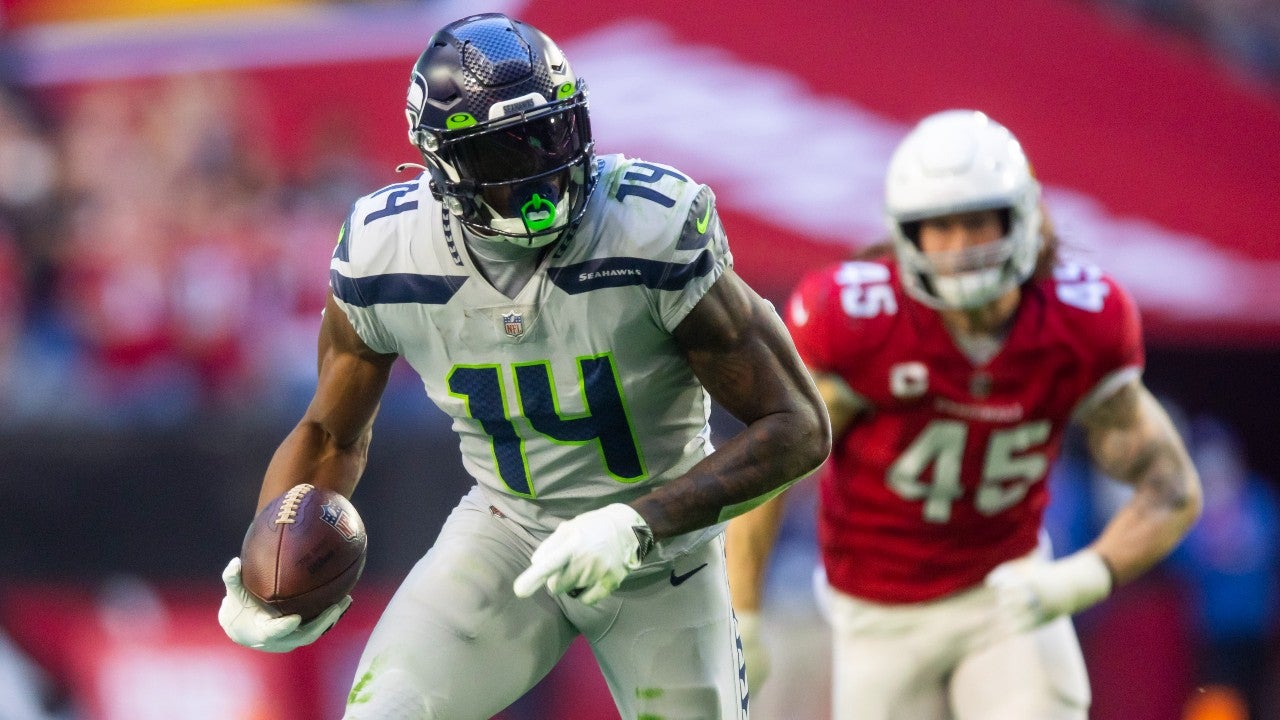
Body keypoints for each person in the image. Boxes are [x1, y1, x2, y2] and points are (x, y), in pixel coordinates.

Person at [215, 12, 829, 720]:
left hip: (662, 550)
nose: (539, 174)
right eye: (502, 158)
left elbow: (797, 425)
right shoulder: (388, 252)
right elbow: (329, 436)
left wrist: (636, 522)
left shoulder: (649, 230)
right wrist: (272, 553)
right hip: (505, 530)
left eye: (550, 135)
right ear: (444, 165)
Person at [726, 109, 1202, 720]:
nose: (957, 249)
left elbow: (1171, 489)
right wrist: (744, 616)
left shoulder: (1077, 321)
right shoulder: (857, 319)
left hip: (1005, 596)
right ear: (907, 234)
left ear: (1019, 219)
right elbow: (773, 467)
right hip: (876, 614)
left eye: (976, 223)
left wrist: (1084, 576)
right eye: (938, 227)